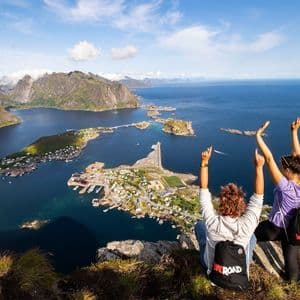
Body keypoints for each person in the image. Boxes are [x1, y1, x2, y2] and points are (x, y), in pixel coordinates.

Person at [195, 146, 265, 282]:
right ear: (242, 205)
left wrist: (204, 163)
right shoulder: (247, 224)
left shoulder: (212, 222)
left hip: (213, 271)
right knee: (252, 238)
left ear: (221, 203)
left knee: (200, 226)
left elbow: (203, 191)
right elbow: (258, 197)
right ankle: (245, 261)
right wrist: (259, 167)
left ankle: (208, 259)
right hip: (239, 272)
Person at [254, 118, 300, 281]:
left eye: (283, 168)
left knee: (249, 235)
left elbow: (269, 158)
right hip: (294, 230)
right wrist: (294, 132)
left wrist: (258, 135)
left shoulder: (285, 187)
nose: (281, 169)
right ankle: (292, 286)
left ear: (287, 170)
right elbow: (298, 158)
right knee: (291, 263)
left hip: (275, 228)